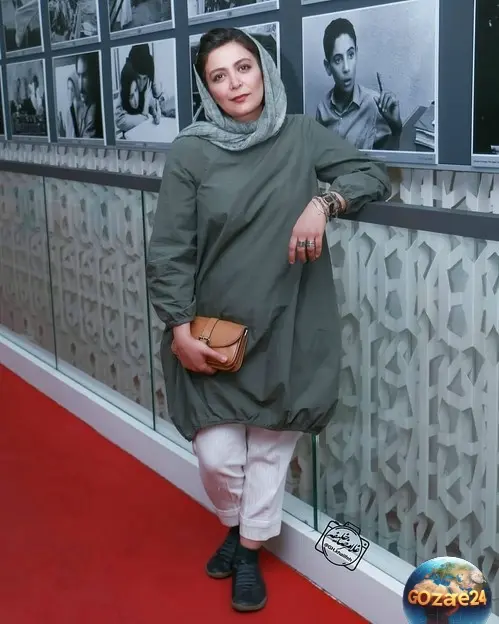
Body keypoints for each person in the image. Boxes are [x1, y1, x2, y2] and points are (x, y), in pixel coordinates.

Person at [146, 27, 390, 612]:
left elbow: (372, 175)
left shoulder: (301, 135)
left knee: (269, 452)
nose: (235, 84)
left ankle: (249, 551)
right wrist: (178, 328)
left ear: (264, 69)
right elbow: (171, 248)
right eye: (219, 76)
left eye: (244, 67)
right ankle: (238, 525)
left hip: (289, 321)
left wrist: (323, 203)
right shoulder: (191, 151)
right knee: (217, 456)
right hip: (217, 332)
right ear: (206, 89)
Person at [315, 17, 402, 150]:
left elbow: (391, 156)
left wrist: (396, 126)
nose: (347, 68)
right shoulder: (322, 109)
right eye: (338, 60)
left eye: (350, 55)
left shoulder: (374, 104)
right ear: (328, 67)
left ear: (356, 53)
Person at [115, 44, 174, 135]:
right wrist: (147, 115)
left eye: (145, 78)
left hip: (139, 118)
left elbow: (156, 96)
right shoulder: (128, 76)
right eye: (139, 78)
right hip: (124, 118)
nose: (142, 83)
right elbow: (122, 119)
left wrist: (156, 111)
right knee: (148, 120)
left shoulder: (148, 69)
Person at [74, 53, 102, 138]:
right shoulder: (81, 107)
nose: (80, 86)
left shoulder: (95, 110)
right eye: (78, 75)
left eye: (85, 76)